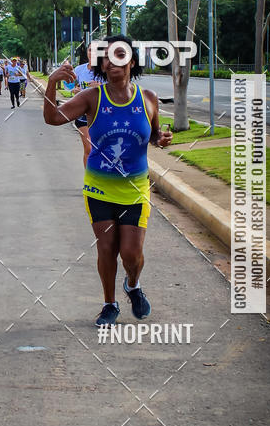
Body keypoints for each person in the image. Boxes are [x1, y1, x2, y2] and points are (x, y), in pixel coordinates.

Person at [43, 35, 173, 327]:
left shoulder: (148, 98)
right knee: (107, 250)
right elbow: (52, 118)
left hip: (135, 189)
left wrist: (161, 138)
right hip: (99, 188)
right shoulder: (92, 97)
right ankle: (109, 304)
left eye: (120, 55)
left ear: (132, 62)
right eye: (107, 57)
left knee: (132, 254)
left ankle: (133, 284)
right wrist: (52, 82)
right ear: (101, 65)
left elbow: (152, 134)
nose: (114, 61)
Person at [71, 43, 100, 167]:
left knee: (100, 149)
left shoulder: (106, 71)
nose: (92, 53)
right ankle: (89, 181)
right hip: (83, 114)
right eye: (90, 50)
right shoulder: (79, 70)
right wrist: (74, 90)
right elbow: (70, 86)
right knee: (88, 149)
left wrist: (101, 87)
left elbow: (116, 91)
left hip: (101, 114)